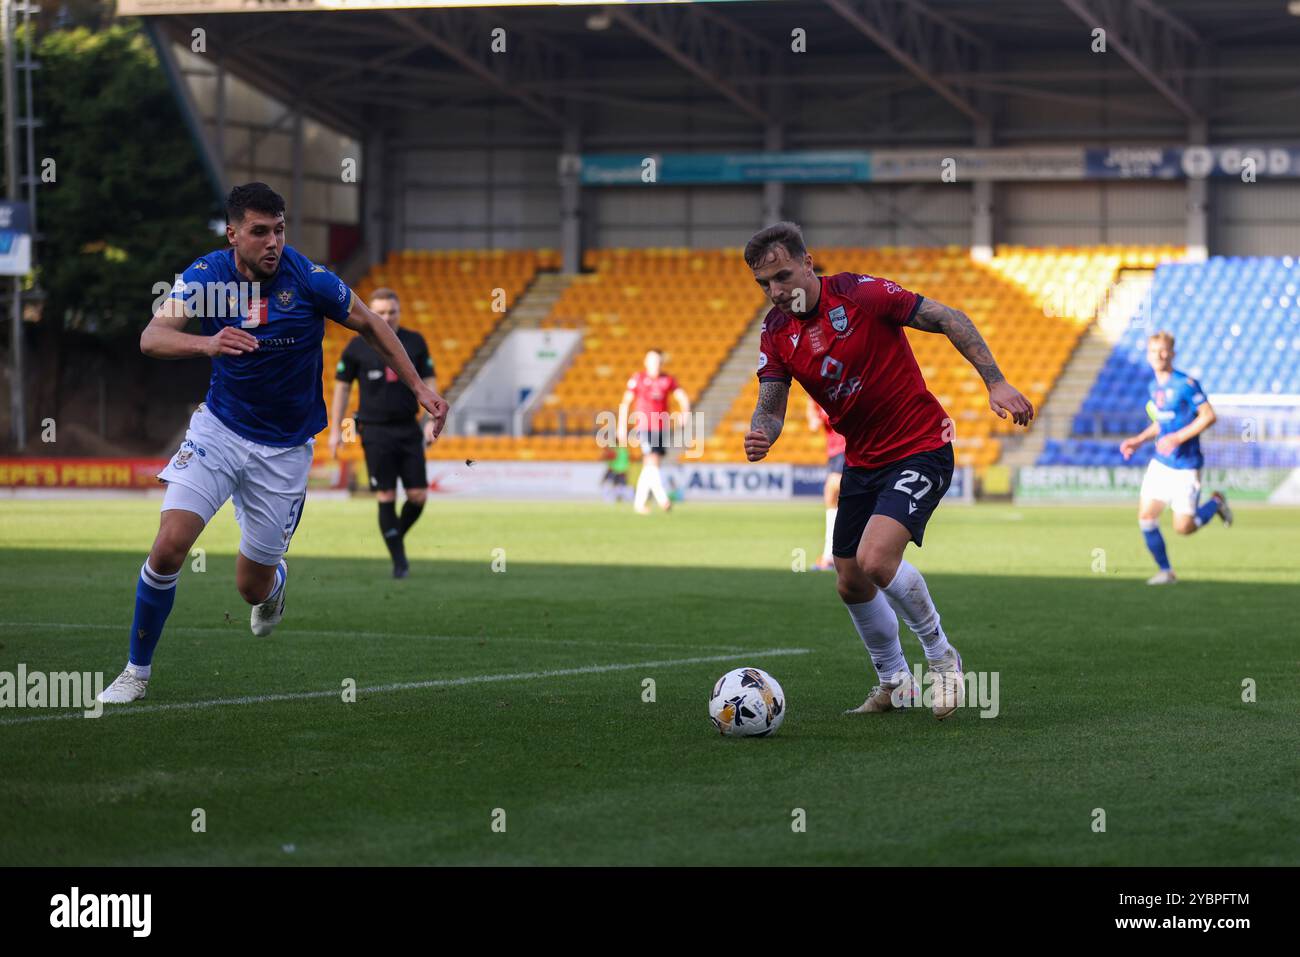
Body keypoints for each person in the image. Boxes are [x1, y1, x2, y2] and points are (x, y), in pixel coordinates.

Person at [97, 183, 448, 704]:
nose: (273, 242)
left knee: (250, 586)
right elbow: (153, 336)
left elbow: (371, 325)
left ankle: (274, 585)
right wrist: (207, 342)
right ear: (233, 233)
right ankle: (136, 671)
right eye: (260, 231)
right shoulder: (206, 276)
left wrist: (420, 387)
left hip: (283, 451)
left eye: (280, 230)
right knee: (170, 545)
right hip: (218, 430)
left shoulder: (306, 279)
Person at [743, 222, 1034, 719]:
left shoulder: (861, 294)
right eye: (765, 284)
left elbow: (948, 317)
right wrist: (761, 433)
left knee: (877, 560)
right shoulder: (776, 332)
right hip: (864, 458)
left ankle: (943, 658)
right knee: (850, 579)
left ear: (808, 263)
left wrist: (997, 381)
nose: (776, 291)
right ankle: (895, 681)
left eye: (783, 275)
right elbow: (771, 406)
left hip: (921, 446)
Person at [328, 288, 438, 578]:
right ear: (371, 313)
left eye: (392, 311)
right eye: (381, 312)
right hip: (375, 432)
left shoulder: (415, 342)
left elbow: (429, 380)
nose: (387, 317)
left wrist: (431, 419)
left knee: (418, 496)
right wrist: (335, 430)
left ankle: (394, 537)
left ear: (399, 312)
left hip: (408, 428)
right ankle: (400, 562)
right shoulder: (356, 346)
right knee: (386, 495)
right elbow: (342, 387)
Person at [1119, 330, 1232, 585]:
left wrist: (1178, 438)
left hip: (1186, 465)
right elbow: (1162, 423)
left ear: (1173, 353)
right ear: (1147, 355)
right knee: (1146, 517)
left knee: (1184, 528)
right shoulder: (1153, 385)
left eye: (1164, 350)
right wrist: (1138, 440)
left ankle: (1215, 502)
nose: (1159, 355)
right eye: (1153, 351)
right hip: (1161, 463)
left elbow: (1208, 416)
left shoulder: (1186, 384)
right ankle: (1166, 572)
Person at [617, 349, 691, 515]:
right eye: (652, 360)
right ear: (646, 362)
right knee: (651, 461)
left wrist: (685, 413)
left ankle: (639, 503)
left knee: (651, 465)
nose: (655, 364)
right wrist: (622, 425)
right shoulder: (638, 379)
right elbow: (626, 402)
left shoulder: (667, 380)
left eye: (658, 361)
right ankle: (662, 498)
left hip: (662, 427)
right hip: (644, 426)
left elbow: (682, 397)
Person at [806, 397, 845, 571]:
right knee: (838, 499)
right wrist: (813, 418)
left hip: (849, 446)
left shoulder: (844, 383)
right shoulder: (816, 388)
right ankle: (837, 555)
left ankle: (830, 556)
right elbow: (811, 408)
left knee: (832, 491)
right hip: (834, 450)